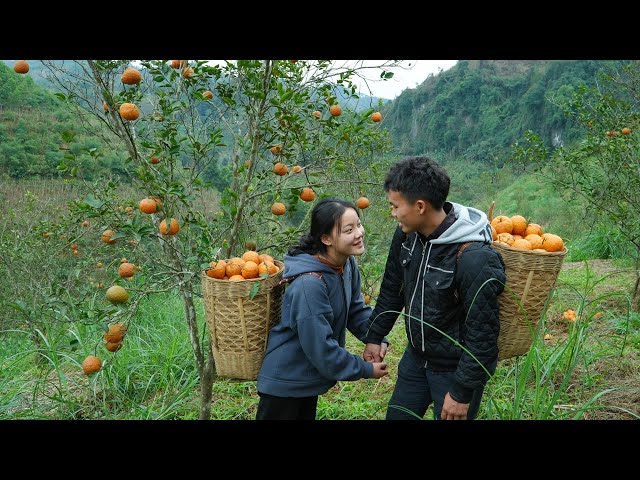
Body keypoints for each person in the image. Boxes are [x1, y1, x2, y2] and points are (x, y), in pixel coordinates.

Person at [363, 156, 506, 420]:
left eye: (395, 206)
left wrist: (462, 392)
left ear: (420, 206)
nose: (392, 214)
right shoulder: (407, 235)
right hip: (415, 360)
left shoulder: (473, 257)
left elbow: (483, 335)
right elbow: (393, 288)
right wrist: (375, 335)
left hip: (454, 370)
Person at [256, 198, 389, 420]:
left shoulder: (346, 264)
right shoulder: (310, 284)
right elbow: (322, 350)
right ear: (326, 239)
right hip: (285, 385)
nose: (359, 233)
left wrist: (376, 338)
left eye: (358, 224)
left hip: (306, 381)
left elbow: (356, 310)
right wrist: (365, 369)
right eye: (349, 229)